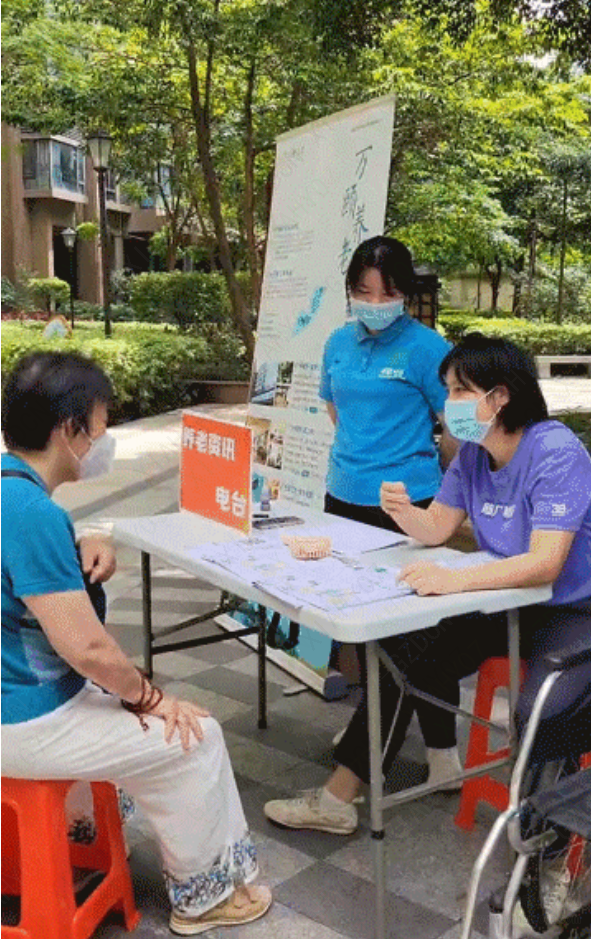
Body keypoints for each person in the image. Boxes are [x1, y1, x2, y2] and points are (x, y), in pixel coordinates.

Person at [264, 333, 591, 836]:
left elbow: (545, 563)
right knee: (403, 653)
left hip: (572, 610)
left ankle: (545, 848)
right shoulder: (473, 456)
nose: (448, 404)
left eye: (460, 390)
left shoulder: (555, 451)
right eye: (448, 390)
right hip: (508, 601)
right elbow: (437, 527)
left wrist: (452, 582)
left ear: (499, 396)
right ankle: (340, 797)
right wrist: (403, 512)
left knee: (541, 714)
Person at [1, 351, 272, 935]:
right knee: (195, 737)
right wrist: (152, 700)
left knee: (126, 704)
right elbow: (88, 651)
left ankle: (83, 834)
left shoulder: (11, 495)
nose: (105, 438)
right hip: (23, 720)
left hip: (15, 701)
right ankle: (207, 898)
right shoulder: (27, 512)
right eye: (100, 424)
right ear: (70, 431)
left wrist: (85, 543)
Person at [319, 235, 456, 531]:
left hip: (408, 500)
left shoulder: (429, 347)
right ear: (350, 290)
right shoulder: (337, 343)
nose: (375, 304)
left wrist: (440, 473)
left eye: (388, 293)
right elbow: (336, 411)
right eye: (364, 293)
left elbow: (455, 427)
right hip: (341, 493)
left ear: (405, 292)